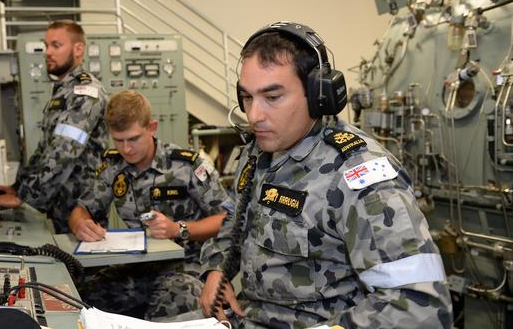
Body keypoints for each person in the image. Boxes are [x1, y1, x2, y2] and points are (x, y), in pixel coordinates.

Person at [198, 21, 452, 328]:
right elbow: (233, 221)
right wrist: (216, 270)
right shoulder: (258, 152)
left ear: (319, 94)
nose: (253, 116)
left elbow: (419, 307)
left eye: (273, 97)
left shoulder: (359, 175)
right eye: (248, 98)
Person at [68, 90, 233, 320]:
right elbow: (81, 209)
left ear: (152, 128)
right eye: (119, 140)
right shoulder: (113, 166)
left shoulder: (186, 165)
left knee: (169, 308)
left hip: (187, 267)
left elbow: (227, 218)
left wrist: (179, 229)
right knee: (80, 302)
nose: (126, 149)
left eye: (133, 139)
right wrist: (80, 224)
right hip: (137, 267)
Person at [0, 20, 109, 233]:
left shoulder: (85, 92)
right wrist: (17, 187)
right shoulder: (63, 91)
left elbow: (65, 150)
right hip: (60, 203)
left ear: (78, 49)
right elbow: (46, 149)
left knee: (81, 266)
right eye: (46, 45)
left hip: (81, 206)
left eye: (56, 46)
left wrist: (25, 196)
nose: (48, 52)